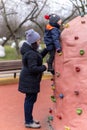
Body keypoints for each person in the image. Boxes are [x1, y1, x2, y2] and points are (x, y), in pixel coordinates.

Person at [18, 29, 48, 129]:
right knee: (30, 100)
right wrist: (45, 67)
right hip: (29, 80)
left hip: (29, 80)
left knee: (30, 99)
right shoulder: (30, 53)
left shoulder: (31, 50)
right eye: (38, 40)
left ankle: (29, 119)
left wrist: (46, 49)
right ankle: (28, 122)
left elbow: (38, 57)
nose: (40, 42)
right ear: (34, 42)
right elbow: (33, 68)